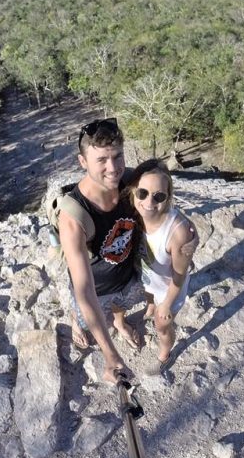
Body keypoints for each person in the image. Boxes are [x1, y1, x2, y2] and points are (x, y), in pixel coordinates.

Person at [58, 118, 143, 384]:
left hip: (125, 277)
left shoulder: (130, 184)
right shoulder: (73, 216)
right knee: (85, 319)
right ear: (82, 162)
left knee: (121, 306)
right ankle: (75, 320)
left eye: (118, 156)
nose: (113, 168)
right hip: (95, 290)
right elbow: (84, 290)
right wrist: (111, 356)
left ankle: (119, 321)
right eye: (102, 160)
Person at [125, 159, 198, 375]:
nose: (149, 202)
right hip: (149, 279)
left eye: (158, 196)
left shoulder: (177, 232)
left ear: (168, 197)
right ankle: (150, 307)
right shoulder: (135, 213)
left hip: (169, 289)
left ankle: (165, 354)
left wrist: (166, 304)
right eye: (143, 193)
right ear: (133, 191)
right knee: (150, 298)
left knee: (162, 326)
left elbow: (180, 274)